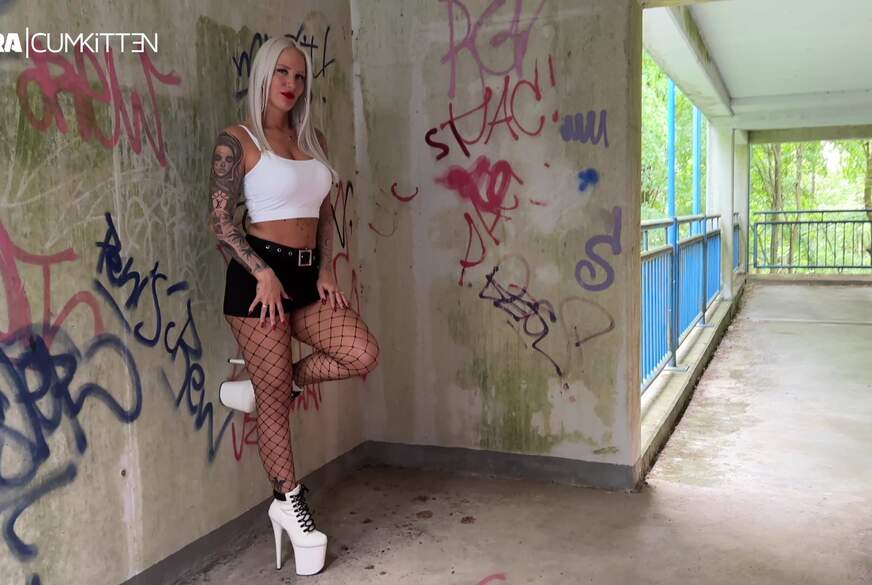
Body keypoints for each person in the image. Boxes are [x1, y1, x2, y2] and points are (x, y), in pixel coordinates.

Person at [208, 37, 379, 576]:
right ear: (264, 75)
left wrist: (325, 268)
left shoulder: (311, 140)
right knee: (277, 408)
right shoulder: (239, 141)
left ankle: (271, 385)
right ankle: (289, 503)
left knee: (361, 352)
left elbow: (323, 212)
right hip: (259, 282)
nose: (291, 84)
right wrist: (260, 272)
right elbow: (220, 223)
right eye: (282, 72)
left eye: (300, 76)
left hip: (306, 278)